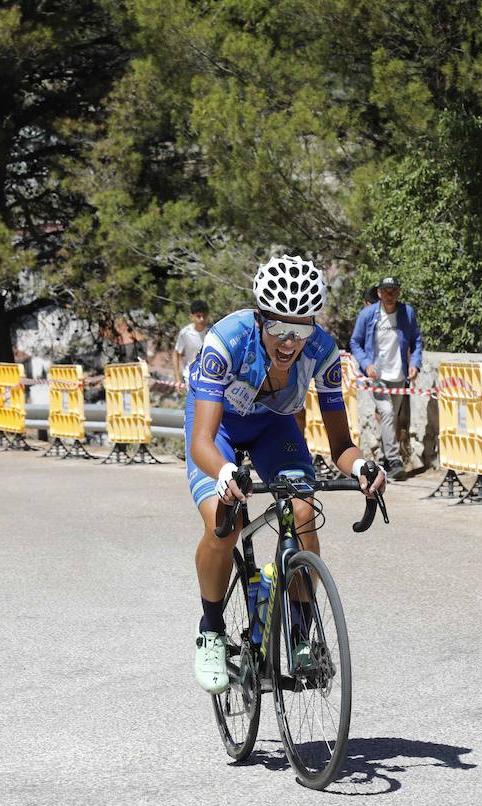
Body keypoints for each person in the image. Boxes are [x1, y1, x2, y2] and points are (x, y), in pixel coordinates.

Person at [187, 255, 386, 693]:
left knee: (302, 509)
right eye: (278, 328)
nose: (289, 342)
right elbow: (202, 440)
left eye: (301, 330)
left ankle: (299, 638)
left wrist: (362, 466)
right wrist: (224, 473)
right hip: (218, 430)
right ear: (260, 318)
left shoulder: (324, 354)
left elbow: (340, 446)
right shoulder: (225, 342)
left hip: (273, 426)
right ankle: (211, 630)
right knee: (225, 524)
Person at [349, 276, 423, 481]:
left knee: (391, 418)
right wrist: (366, 364)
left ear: (398, 292)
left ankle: (383, 459)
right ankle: (394, 460)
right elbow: (355, 342)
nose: (389, 295)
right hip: (377, 376)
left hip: (399, 375)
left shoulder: (407, 313)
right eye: (386, 291)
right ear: (379, 293)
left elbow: (416, 340)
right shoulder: (368, 315)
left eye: (393, 291)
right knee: (387, 412)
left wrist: (415, 363)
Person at [171, 302, 209, 390]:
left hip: (209, 378)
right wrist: (177, 379)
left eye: (204, 316)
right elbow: (176, 353)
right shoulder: (185, 333)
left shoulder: (212, 332)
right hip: (190, 377)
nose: (202, 319)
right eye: (198, 316)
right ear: (192, 316)